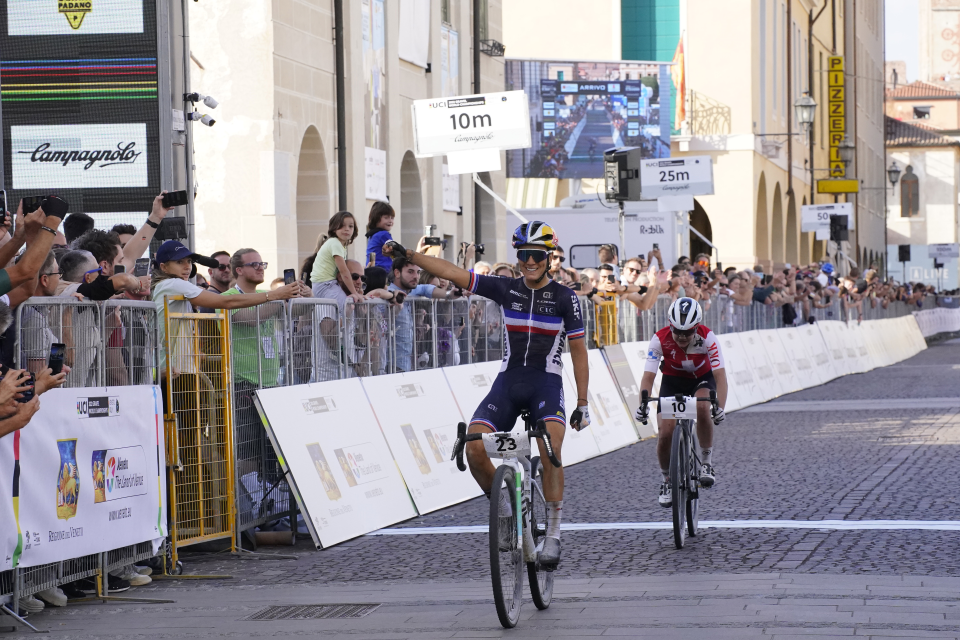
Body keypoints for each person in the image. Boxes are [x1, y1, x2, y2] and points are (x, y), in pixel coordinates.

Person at [382, 220, 591, 570]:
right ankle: (507, 511)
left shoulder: (565, 298)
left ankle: (553, 532)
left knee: (550, 447)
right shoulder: (507, 288)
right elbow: (453, 272)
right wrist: (411, 255)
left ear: (549, 257)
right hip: (508, 382)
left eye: (536, 255)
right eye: (524, 255)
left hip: (547, 383)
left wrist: (583, 402)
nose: (529, 262)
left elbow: (580, 351)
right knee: (474, 446)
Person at [635, 298, 727, 507]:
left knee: (703, 406)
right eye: (677, 332)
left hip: (701, 380)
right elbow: (648, 377)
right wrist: (642, 404)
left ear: (697, 327)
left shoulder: (708, 337)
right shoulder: (659, 339)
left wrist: (720, 407)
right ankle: (667, 480)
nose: (682, 337)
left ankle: (706, 463)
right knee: (665, 433)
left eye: (688, 332)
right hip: (672, 382)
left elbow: (720, 376)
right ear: (670, 325)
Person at [310, 211, 364, 306]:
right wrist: (354, 293)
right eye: (342, 226)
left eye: (350, 226)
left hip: (324, 284)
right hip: (325, 285)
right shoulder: (335, 243)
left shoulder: (338, 245)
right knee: (346, 307)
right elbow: (344, 271)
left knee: (341, 312)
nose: (347, 229)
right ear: (334, 228)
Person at [364, 201, 396, 271]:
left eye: (392, 218)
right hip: (383, 270)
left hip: (373, 268)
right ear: (376, 218)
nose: (390, 221)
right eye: (386, 217)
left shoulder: (373, 234)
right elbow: (395, 249)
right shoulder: (383, 234)